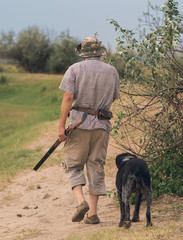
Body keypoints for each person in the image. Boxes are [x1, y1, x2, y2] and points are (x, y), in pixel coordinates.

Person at [58, 37, 120, 224]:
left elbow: (68, 97)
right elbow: (114, 97)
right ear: (101, 52)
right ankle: (93, 213)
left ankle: (80, 201)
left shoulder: (74, 69)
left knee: (73, 165)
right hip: (102, 125)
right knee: (96, 165)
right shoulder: (112, 71)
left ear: (83, 53)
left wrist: (62, 125)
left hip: (78, 124)